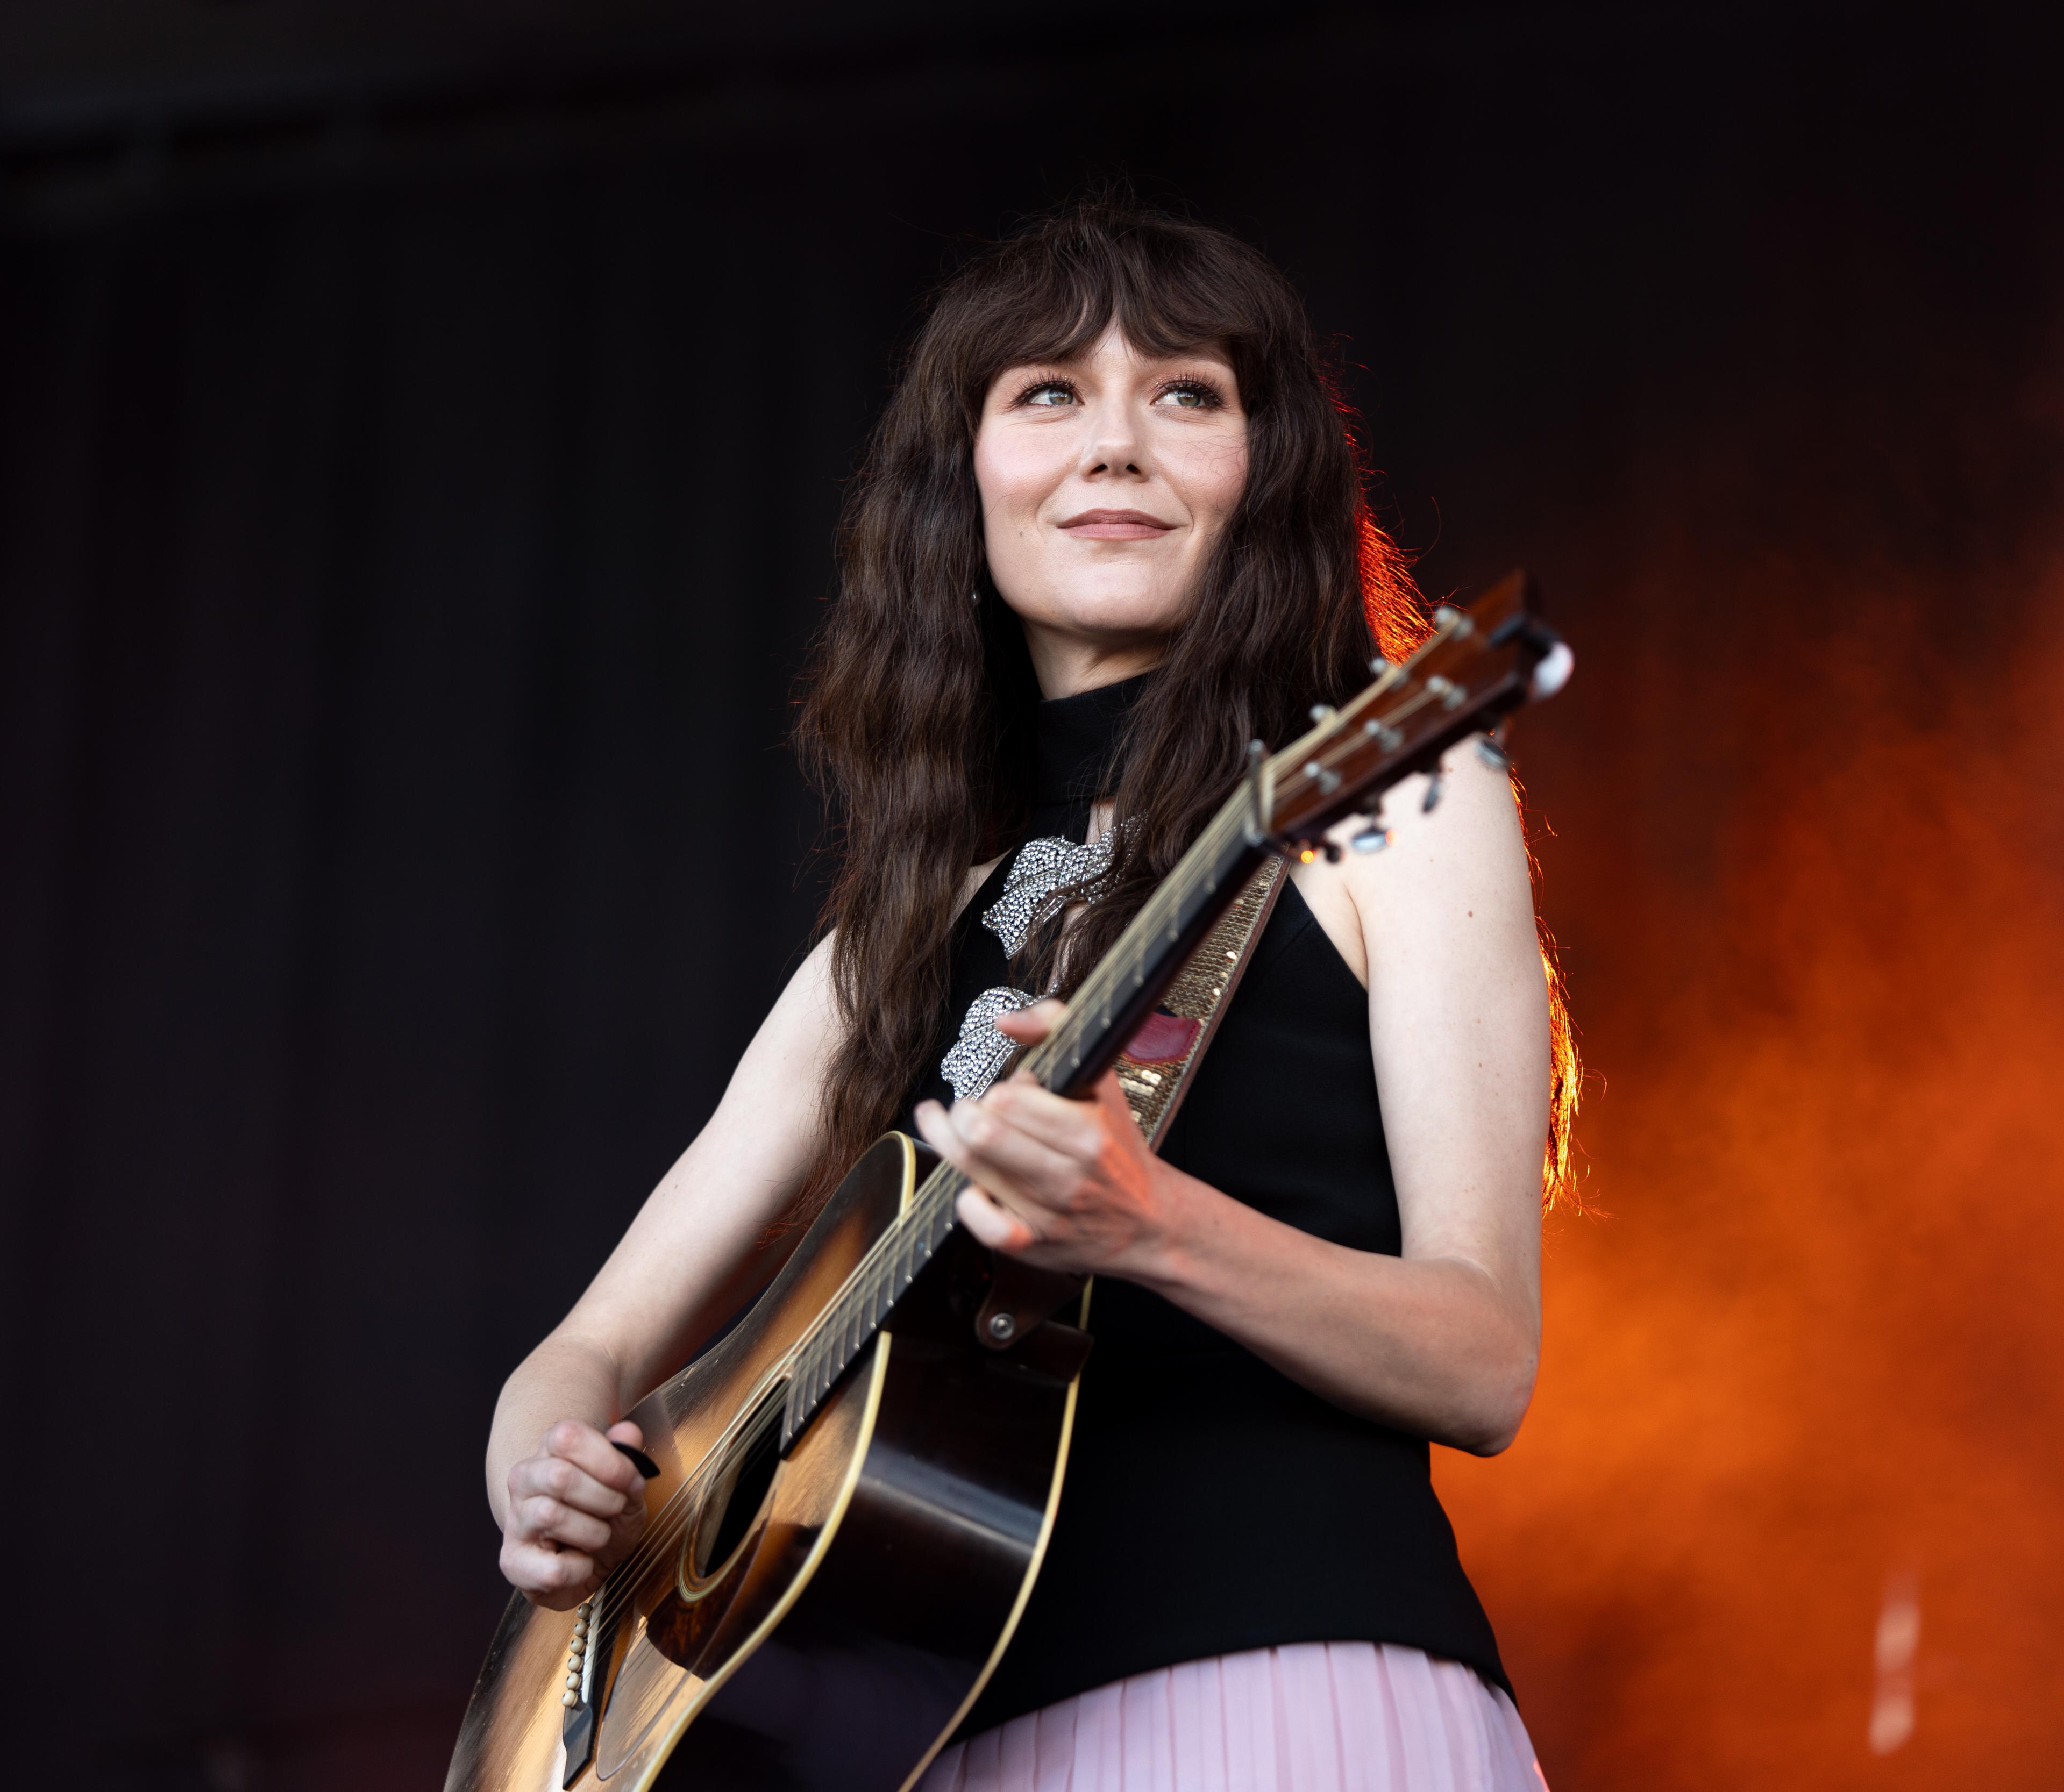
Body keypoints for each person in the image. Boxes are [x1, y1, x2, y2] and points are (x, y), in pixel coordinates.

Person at [484, 200, 1576, 1790]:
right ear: (966, 478)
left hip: (1279, 1694)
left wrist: (1155, 1226)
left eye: (1188, 394)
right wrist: (549, 1488)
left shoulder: (1387, 788)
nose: (1118, 443)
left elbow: (1485, 1362)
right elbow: (572, 1364)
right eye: (1049, 392)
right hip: (939, 1745)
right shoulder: (902, 924)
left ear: (1263, 477)